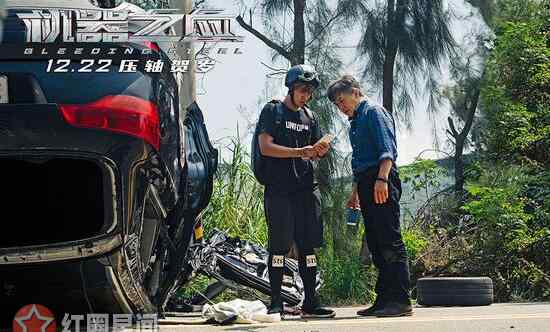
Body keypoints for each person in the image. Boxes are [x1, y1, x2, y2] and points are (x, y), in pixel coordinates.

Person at [327, 75, 413, 317]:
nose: (341, 107)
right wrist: (355, 192)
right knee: (375, 241)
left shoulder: (374, 112)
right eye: (337, 104)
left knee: (390, 238)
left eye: (342, 101)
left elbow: (388, 150)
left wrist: (382, 179)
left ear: (355, 92)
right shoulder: (355, 121)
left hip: (381, 178)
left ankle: (401, 300)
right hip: (366, 181)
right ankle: (384, 299)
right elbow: (359, 161)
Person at [256, 64, 335, 319]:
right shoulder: (273, 111)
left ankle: (311, 300)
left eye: (310, 92)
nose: (306, 96)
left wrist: (320, 150)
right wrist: (299, 152)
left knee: (308, 246)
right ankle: (276, 301)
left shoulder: (310, 117)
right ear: (290, 88)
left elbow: (317, 149)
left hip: (305, 189)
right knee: (278, 247)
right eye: (302, 90)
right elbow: (266, 147)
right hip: (279, 190)